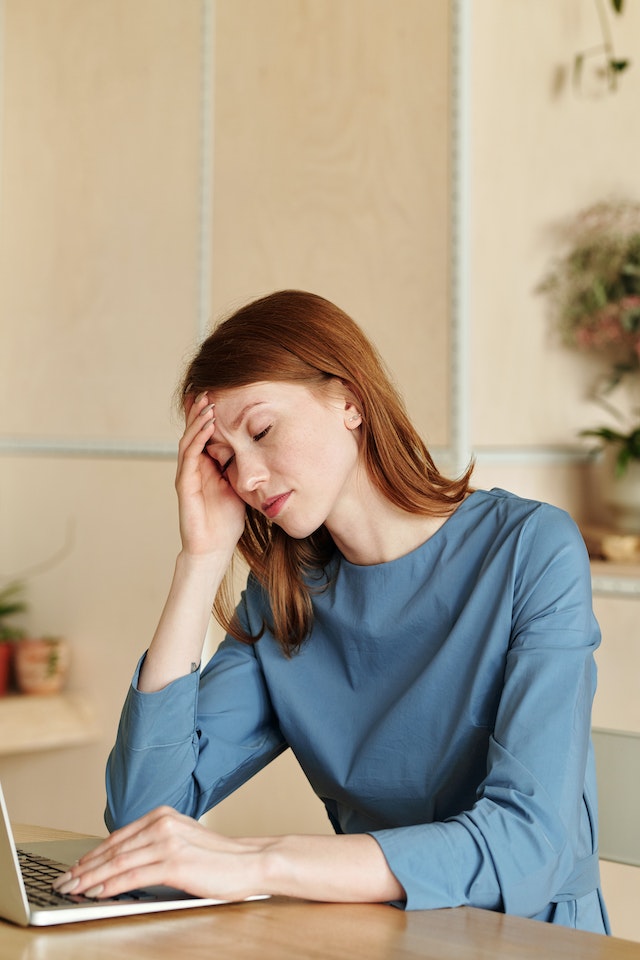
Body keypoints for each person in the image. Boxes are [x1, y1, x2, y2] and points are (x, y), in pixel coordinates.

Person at [54, 289, 609, 933]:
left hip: (527, 940)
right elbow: (141, 819)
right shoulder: (286, 597)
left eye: (262, 431)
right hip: (377, 939)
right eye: (226, 458)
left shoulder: (529, 549)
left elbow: (527, 845)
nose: (249, 477)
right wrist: (200, 559)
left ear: (348, 401)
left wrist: (259, 861)